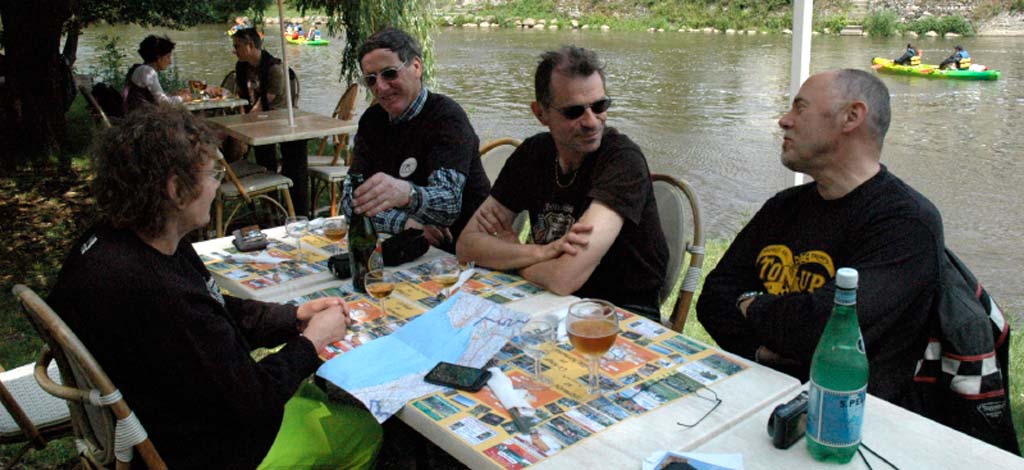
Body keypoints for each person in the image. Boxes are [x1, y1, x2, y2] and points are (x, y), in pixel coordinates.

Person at [46, 105, 381, 468]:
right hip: (203, 451)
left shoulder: (121, 238)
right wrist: (312, 341)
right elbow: (254, 403)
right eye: (213, 173)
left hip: (161, 412)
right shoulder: (158, 294)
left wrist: (294, 315)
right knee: (364, 430)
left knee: (309, 386)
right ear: (176, 190)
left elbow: (213, 307)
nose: (218, 183)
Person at [696, 69, 945, 412]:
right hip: (759, 399)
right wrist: (760, 351)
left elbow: (822, 326)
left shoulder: (906, 224)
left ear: (851, 117)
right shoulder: (782, 207)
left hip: (851, 426)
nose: (784, 120)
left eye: (800, 108)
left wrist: (749, 304)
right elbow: (712, 299)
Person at [455, 46, 668, 320]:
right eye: (574, 112)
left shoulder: (623, 161)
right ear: (540, 113)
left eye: (600, 106)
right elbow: (468, 245)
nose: (591, 121)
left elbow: (563, 278)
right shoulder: (532, 154)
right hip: (543, 302)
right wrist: (542, 252)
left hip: (618, 315)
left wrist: (513, 257)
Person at [341, 27, 489, 253]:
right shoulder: (372, 121)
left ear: (416, 67)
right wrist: (407, 224)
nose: (380, 86)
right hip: (408, 247)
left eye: (389, 73)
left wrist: (405, 194)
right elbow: (350, 205)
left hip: (464, 251)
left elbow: (449, 205)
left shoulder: (447, 118)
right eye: (371, 80)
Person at [232, 27, 310, 215]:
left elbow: (263, 104)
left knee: (295, 157)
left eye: (237, 46)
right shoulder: (241, 67)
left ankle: (298, 211)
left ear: (250, 46)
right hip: (258, 122)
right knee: (264, 158)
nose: (234, 50)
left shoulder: (274, 68)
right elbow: (242, 97)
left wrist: (244, 123)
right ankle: (271, 207)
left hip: (282, 119)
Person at [123, 35, 190, 113]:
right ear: (158, 58)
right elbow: (164, 103)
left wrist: (174, 95)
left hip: (140, 115)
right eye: (168, 57)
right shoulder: (147, 71)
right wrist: (183, 98)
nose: (170, 62)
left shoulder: (142, 69)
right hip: (143, 120)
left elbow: (156, 98)